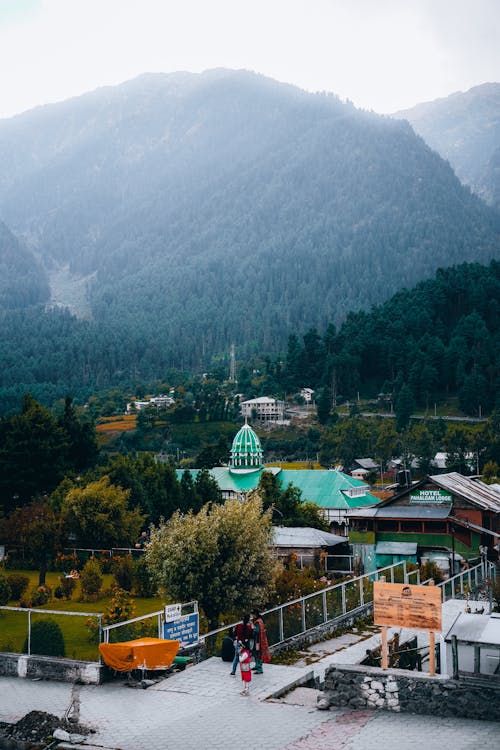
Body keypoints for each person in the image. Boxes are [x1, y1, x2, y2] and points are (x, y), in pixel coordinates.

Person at [250, 608, 271, 674]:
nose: (251, 616)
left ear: (255, 615)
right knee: (256, 653)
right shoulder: (260, 620)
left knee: (258, 653)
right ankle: (257, 665)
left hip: (258, 641)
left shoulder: (257, 622)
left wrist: (251, 625)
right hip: (259, 640)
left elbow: (256, 631)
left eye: (252, 614)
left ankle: (259, 668)